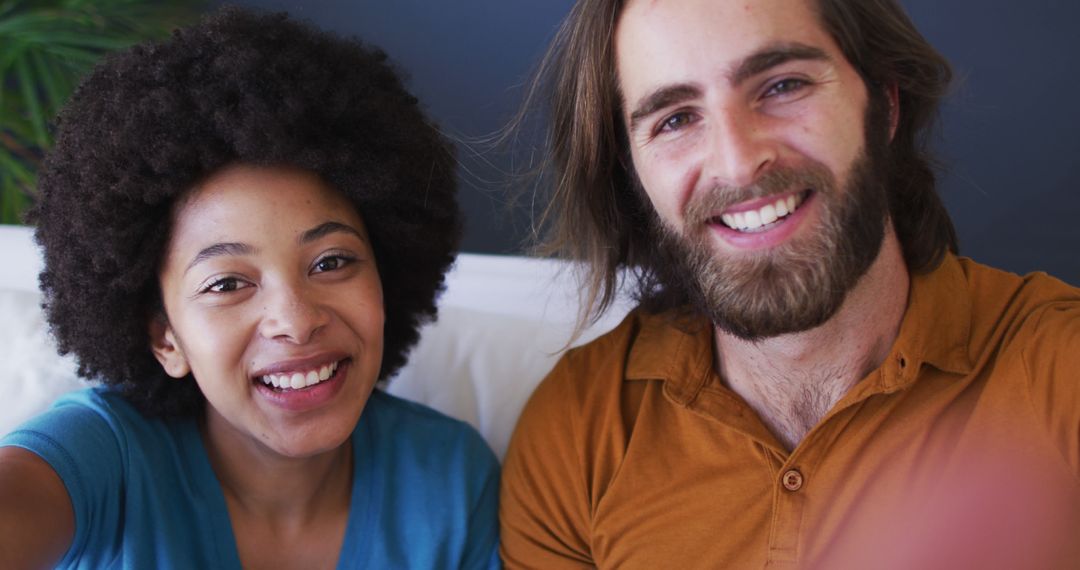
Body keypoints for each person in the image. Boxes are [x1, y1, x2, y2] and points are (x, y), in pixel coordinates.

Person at [499, 0, 1080, 567]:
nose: (737, 161)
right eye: (675, 119)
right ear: (635, 175)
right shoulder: (577, 430)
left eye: (782, 86)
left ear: (884, 102)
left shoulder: (1061, 370)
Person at [0, 8, 500, 569]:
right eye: (228, 283)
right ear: (165, 336)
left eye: (331, 261)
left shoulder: (453, 480)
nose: (295, 318)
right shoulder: (102, 455)